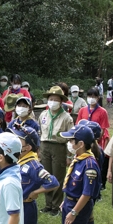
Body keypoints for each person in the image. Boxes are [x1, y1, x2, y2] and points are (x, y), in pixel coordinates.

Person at [9, 124, 59, 224]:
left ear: (28, 146)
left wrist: (36, 192)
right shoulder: (17, 159)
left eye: (19, 139)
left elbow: (53, 182)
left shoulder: (33, 165)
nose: (15, 141)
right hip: (15, 207)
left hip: (27, 208)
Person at [56, 125, 100, 224]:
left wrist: (74, 212)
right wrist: (66, 201)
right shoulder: (78, 159)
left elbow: (87, 194)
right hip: (70, 202)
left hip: (78, 207)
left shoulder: (89, 165)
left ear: (80, 144)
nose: (69, 143)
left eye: (71, 140)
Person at [38, 86, 74, 216]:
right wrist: (39, 150)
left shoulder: (66, 117)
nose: (52, 102)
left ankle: (56, 205)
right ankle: (48, 204)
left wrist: (69, 155)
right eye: (50, 99)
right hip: (45, 145)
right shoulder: (43, 114)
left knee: (58, 176)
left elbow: (71, 137)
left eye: (56, 99)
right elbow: (40, 131)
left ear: (61, 101)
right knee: (46, 175)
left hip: (59, 147)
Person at [76, 120, 104, 224]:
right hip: (93, 190)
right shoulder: (98, 150)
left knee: (84, 217)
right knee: (89, 216)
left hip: (86, 190)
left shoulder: (90, 155)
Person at [76, 87, 111, 189]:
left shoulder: (102, 111)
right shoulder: (82, 110)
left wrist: (95, 140)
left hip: (95, 142)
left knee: (95, 163)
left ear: (98, 97)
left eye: (94, 96)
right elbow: (78, 124)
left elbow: (103, 128)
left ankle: (97, 186)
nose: (91, 99)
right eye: (89, 96)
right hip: (82, 142)